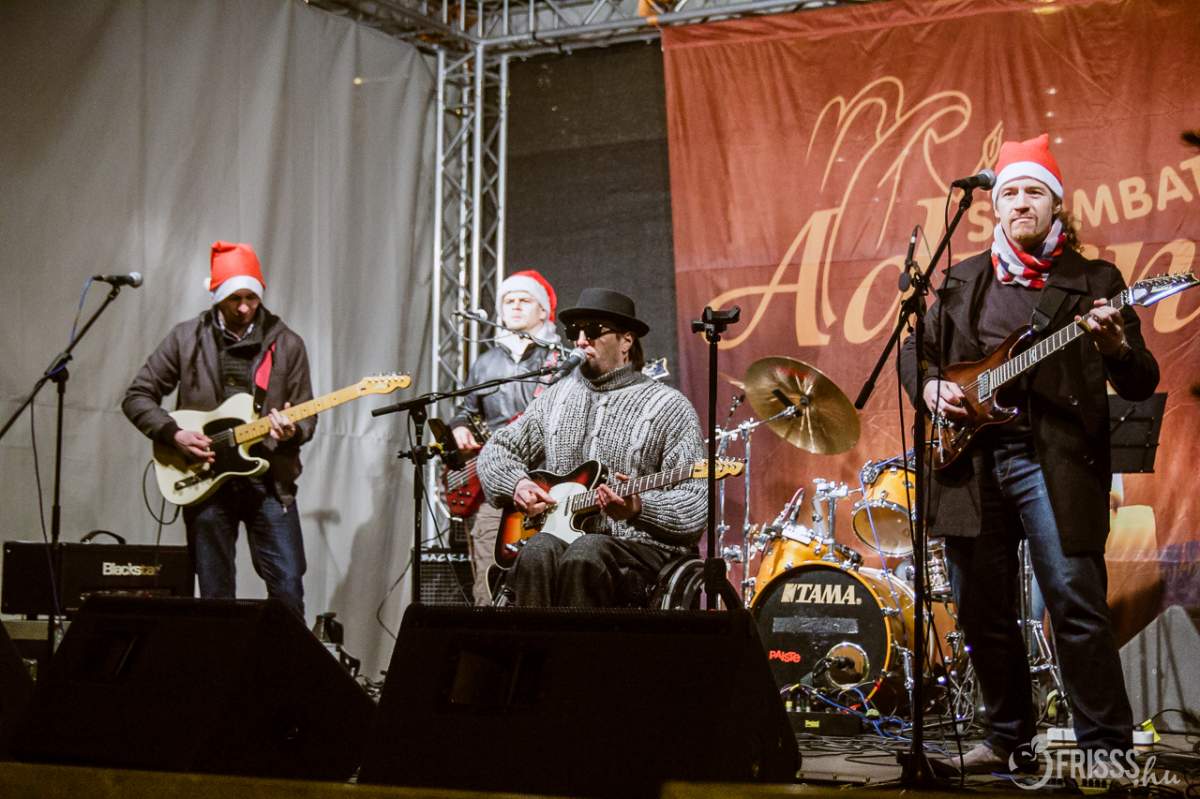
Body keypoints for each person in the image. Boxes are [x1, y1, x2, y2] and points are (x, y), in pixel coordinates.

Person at [900, 134, 1159, 772]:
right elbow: (917, 352)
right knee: (982, 609)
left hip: (1053, 462)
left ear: (1055, 205)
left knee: (1074, 602)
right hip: (969, 465)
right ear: (994, 205)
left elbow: (1140, 380)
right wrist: (929, 387)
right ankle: (1006, 738)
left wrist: (1115, 347)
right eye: (1010, 192)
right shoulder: (962, 281)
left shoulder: (1094, 281)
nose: (1021, 202)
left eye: (1034, 193)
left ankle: (1105, 749)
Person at [475, 288, 707, 607]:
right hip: (564, 540)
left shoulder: (669, 406)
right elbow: (497, 449)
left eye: (594, 331)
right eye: (575, 331)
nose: (582, 340)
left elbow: (694, 502)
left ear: (626, 341)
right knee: (537, 550)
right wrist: (517, 484)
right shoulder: (556, 398)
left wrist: (640, 508)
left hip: (640, 550)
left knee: (586, 554)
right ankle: (531, 641)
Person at [123, 241, 315, 619]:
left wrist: (292, 431)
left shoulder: (287, 344)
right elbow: (137, 396)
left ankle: (285, 658)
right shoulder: (186, 338)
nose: (244, 308)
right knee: (215, 597)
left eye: (252, 298)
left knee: (288, 589)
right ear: (217, 296)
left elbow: (306, 416)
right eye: (234, 299)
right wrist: (174, 433)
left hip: (269, 482)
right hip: (206, 482)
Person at [448, 270, 561, 605]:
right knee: (487, 578)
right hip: (494, 487)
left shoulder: (561, 360)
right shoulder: (485, 363)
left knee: (545, 576)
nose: (515, 306)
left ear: (543, 310)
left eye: (524, 300)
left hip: (548, 483)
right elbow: (465, 410)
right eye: (508, 301)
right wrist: (459, 427)